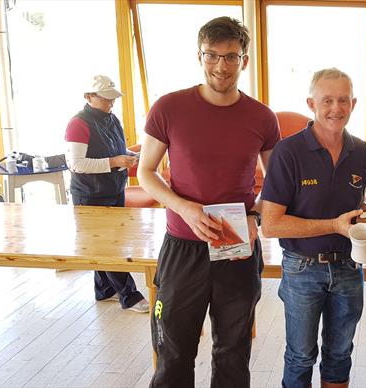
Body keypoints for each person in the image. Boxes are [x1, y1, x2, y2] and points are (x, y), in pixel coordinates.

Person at [137, 16, 280, 388]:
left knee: (233, 351)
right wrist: (184, 207)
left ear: (244, 60)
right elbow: (146, 173)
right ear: (199, 56)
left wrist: (255, 216)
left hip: (236, 246)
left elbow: (278, 182)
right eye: (212, 55)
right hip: (183, 245)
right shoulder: (169, 108)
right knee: (174, 350)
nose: (221, 66)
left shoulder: (262, 117)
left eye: (231, 57)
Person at [260, 68, 366, 388]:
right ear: (311, 103)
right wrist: (333, 226)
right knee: (300, 355)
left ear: (353, 103)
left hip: (350, 267)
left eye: (342, 100)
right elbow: (270, 225)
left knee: (340, 354)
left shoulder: (363, 152)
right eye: (327, 100)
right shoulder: (288, 152)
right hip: (301, 269)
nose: (335, 108)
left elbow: (357, 210)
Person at [64, 74, 149, 314]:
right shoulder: (78, 124)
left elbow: (114, 150)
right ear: (89, 97)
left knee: (104, 245)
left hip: (113, 187)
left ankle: (104, 290)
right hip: (90, 194)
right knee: (110, 247)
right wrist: (114, 161)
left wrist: (127, 158)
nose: (111, 103)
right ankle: (130, 296)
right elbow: (76, 164)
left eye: (113, 99)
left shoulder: (112, 119)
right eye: (106, 99)